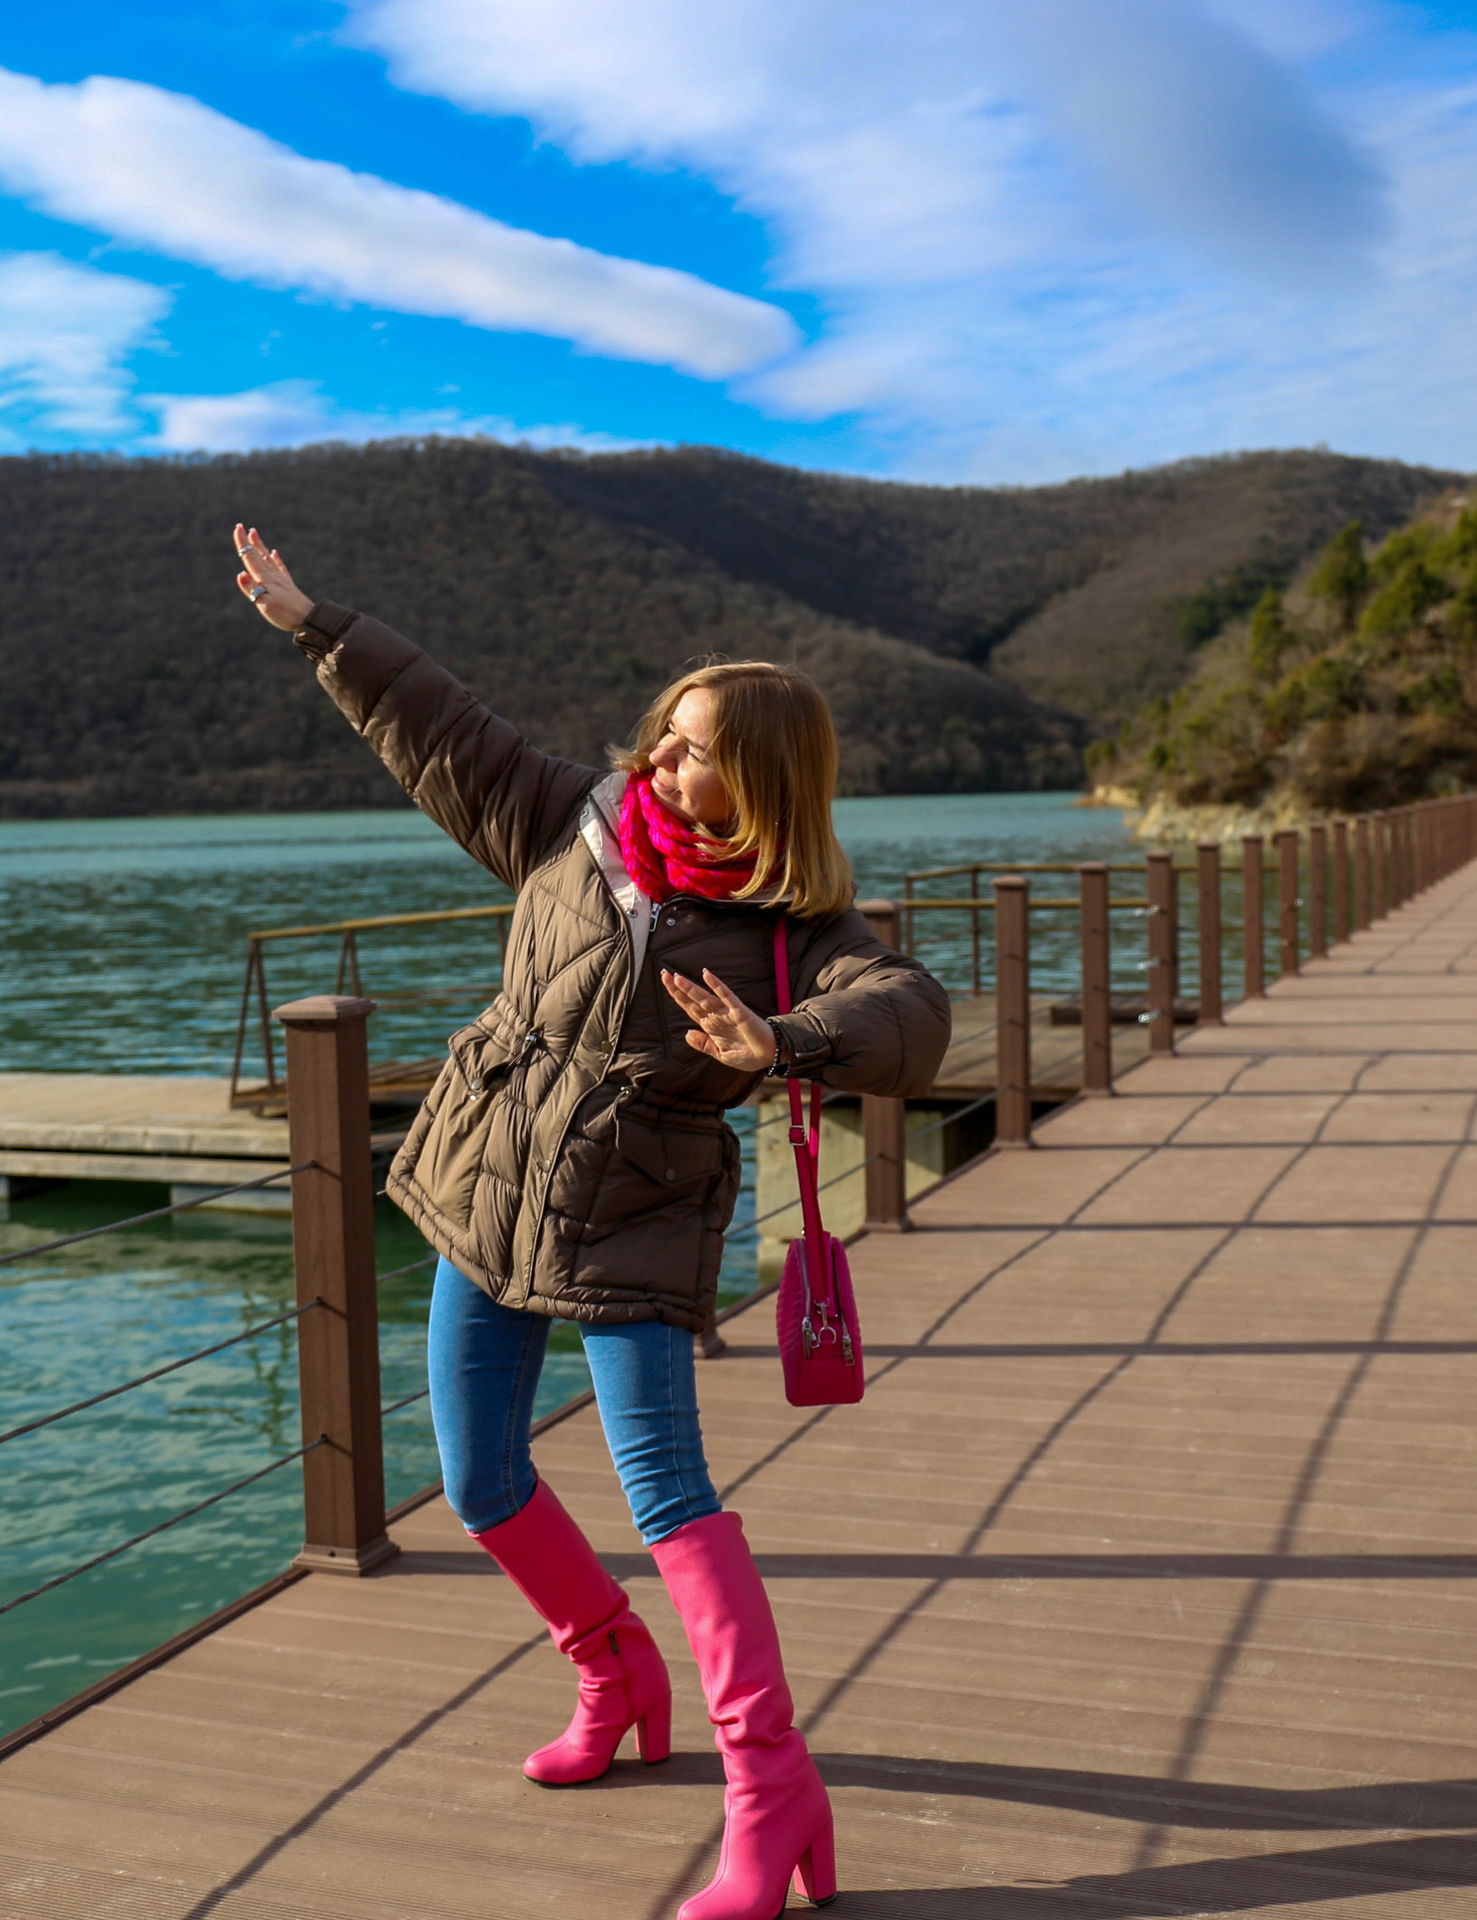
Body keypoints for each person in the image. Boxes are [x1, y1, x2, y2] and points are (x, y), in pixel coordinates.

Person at [231, 524, 949, 1919]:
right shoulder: (574, 820)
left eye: (692, 753)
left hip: (634, 1216)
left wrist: (785, 1036)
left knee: (669, 1498)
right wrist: (319, 625)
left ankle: (770, 1784)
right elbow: (441, 727)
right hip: (486, 1183)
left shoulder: (800, 925)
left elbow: (909, 1014)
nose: (660, 766)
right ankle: (611, 1671)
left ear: (763, 782)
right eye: (661, 739)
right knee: (481, 1476)